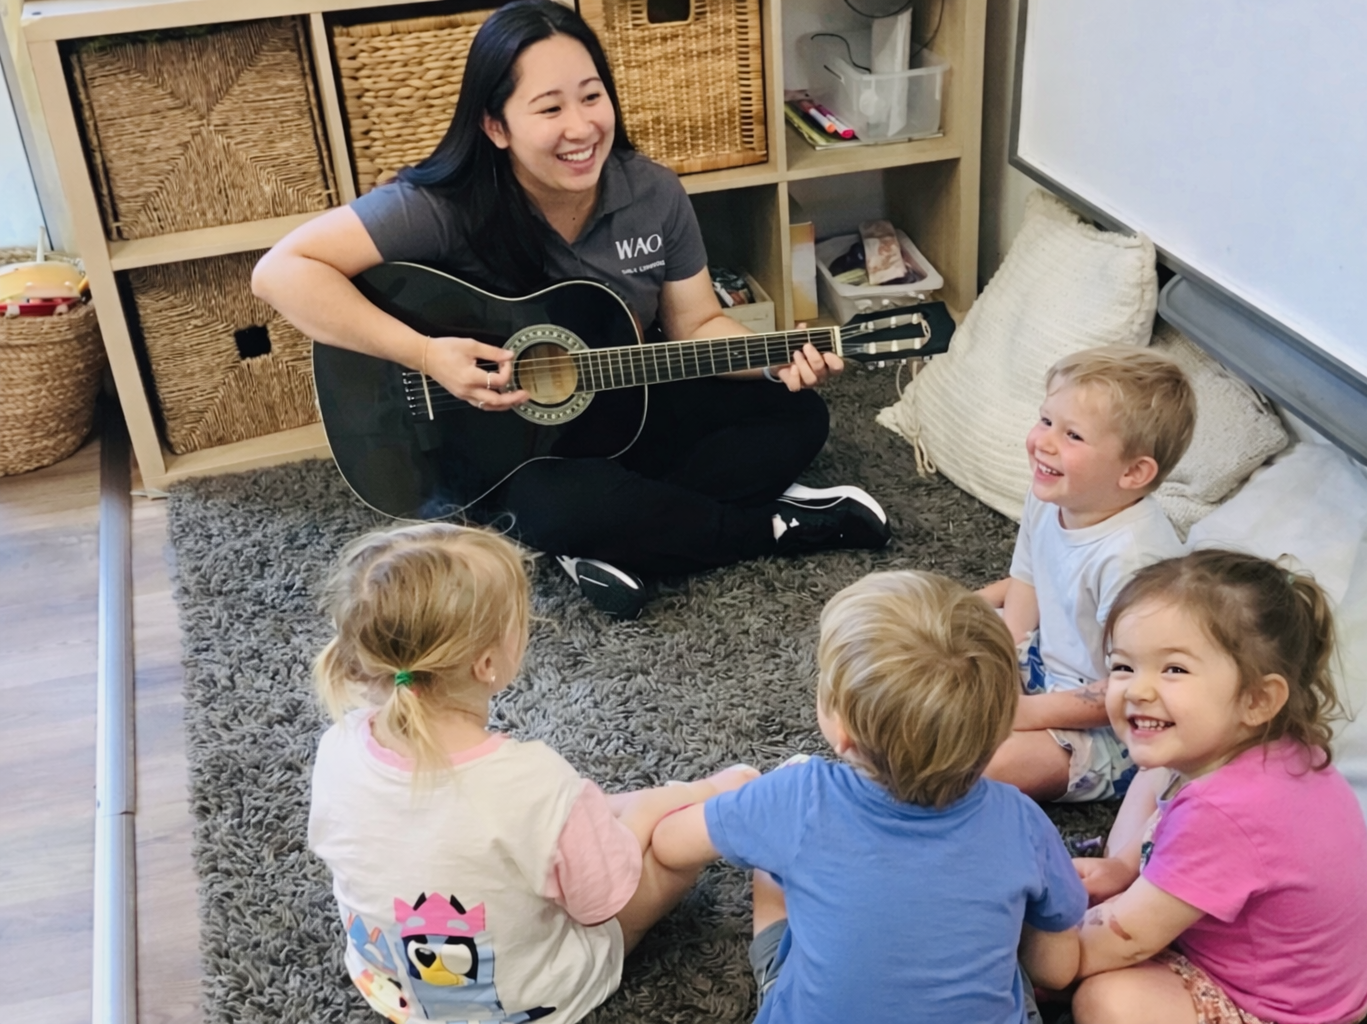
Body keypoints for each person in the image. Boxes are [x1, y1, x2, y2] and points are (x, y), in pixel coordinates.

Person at [253, 0, 889, 621]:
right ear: (495, 126)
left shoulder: (652, 193)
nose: (581, 127)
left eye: (592, 97)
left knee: (798, 416)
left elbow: (695, 325)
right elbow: (280, 273)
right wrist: (424, 354)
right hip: (512, 450)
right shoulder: (440, 206)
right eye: (549, 108)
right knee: (561, 510)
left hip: (627, 408)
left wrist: (780, 362)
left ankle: (616, 541)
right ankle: (770, 528)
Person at [306, 522, 759, 1024]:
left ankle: (661, 803)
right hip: (529, 1002)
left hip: (387, 984)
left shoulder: (339, 745)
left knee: (574, 821)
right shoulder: (530, 782)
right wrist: (655, 806)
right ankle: (718, 798)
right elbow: (605, 901)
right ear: (486, 664)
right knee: (665, 854)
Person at [649, 570, 1089, 1024]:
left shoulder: (797, 797)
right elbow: (1055, 970)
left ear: (842, 732)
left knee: (772, 855)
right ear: (1000, 730)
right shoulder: (1021, 821)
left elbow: (668, 842)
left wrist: (737, 799)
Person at [1038, 549, 1367, 1024]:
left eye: (1174, 669)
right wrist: (1122, 867)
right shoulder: (1272, 752)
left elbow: (1116, 944)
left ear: (1258, 699)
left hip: (1279, 1011)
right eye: (1123, 666)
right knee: (1155, 763)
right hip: (1306, 982)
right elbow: (1157, 777)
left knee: (1107, 1000)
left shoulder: (1225, 813)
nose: (1137, 690)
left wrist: (1034, 941)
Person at [978, 346, 1195, 802]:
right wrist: (1003, 658)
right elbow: (1027, 580)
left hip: (1113, 722)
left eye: (1073, 436)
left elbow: (1133, 689)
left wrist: (1018, 713)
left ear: (1134, 472)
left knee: (980, 763)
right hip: (1042, 663)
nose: (1045, 442)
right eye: (1045, 420)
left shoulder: (1134, 560)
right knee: (917, 650)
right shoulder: (1050, 491)